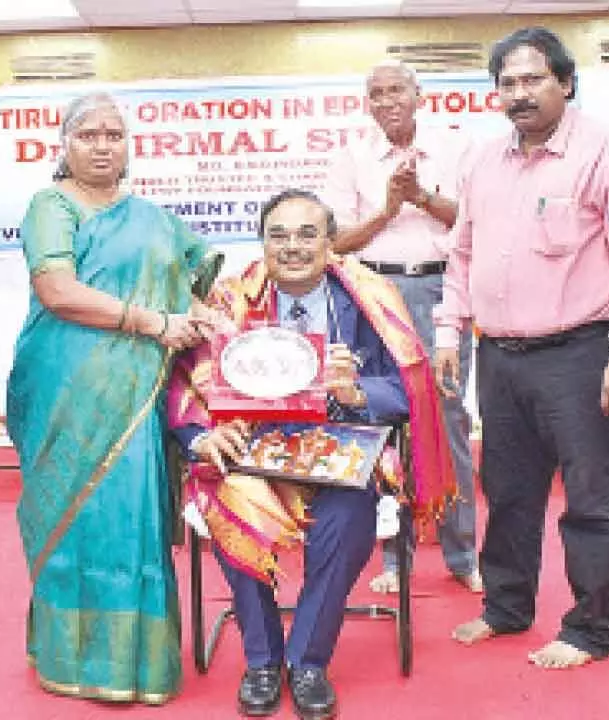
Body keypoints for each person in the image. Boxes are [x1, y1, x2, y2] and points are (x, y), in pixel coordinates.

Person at [437, 27, 609, 669]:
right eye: (507, 83)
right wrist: (447, 328)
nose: (518, 94)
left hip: (582, 355)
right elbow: (461, 253)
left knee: (591, 495)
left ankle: (590, 629)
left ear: (566, 83)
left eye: (532, 79)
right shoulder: (481, 161)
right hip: (499, 357)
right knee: (507, 490)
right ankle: (507, 607)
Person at [168, 189, 455, 719]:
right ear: (262, 242)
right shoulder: (230, 301)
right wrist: (200, 437)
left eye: (307, 234)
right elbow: (184, 380)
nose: (292, 247)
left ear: (330, 243)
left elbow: (407, 387)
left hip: (341, 449)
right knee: (231, 500)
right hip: (252, 450)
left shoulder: (369, 298)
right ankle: (261, 660)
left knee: (346, 522)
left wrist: (356, 394)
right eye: (278, 235)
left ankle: (307, 661)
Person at [6, 92, 222, 704]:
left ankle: (134, 664)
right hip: (66, 387)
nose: (103, 145)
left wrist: (200, 313)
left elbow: (197, 273)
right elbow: (57, 290)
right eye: (88, 135)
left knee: (129, 516)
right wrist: (152, 322)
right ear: (64, 146)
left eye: (114, 135)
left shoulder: (152, 216)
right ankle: (68, 654)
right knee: (73, 519)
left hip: (138, 395)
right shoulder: (51, 205)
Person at [321, 59, 481, 596]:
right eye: (376, 93)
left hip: (440, 294)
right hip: (374, 298)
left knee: (448, 418)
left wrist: (423, 199)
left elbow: (477, 221)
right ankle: (395, 558)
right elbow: (336, 243)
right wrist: (390, 208)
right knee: (384, 419)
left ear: (419, 95)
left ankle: (463, 554)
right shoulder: (352, 158)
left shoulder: (456, 148)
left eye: (397, 91)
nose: (387, 101)